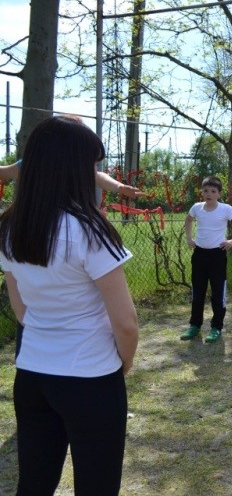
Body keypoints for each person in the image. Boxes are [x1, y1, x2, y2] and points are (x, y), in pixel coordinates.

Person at [0, 115, 138, 494]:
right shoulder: (89, 230)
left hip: (32, 376)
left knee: (34, 483)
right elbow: (126, 323)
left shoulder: (9, 227)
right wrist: (122, 364)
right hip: (91, 378)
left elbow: (22, 311)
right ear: (73, 167)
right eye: (90, 164)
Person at [181, 176, 232, 343]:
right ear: (202, 192)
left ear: (219, 193)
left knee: (218, 293)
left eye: (213, 191)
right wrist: (189, 238)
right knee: (198, 292)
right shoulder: (197, 208)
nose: (209, 194)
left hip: (217, 256)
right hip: (199, 255)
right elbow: (188, 220)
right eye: (206, 191)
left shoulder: (225, 209)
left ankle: (216, 326)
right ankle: (195, 325)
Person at [0, 159, 145, 199]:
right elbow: (4, 172)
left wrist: (119, 187)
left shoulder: (76, 164)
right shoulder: (33, 163)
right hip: (34, 224)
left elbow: (96, 177)